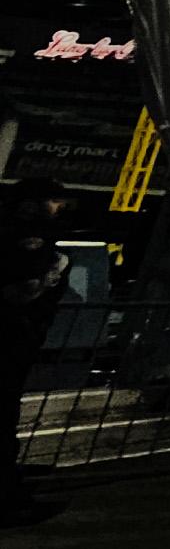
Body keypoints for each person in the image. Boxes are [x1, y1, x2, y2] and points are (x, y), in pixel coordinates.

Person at [1, 178, 67, 528]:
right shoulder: (30, 235)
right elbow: (23, 288)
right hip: (12, 337)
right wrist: (52, 275)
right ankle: (9, 501)